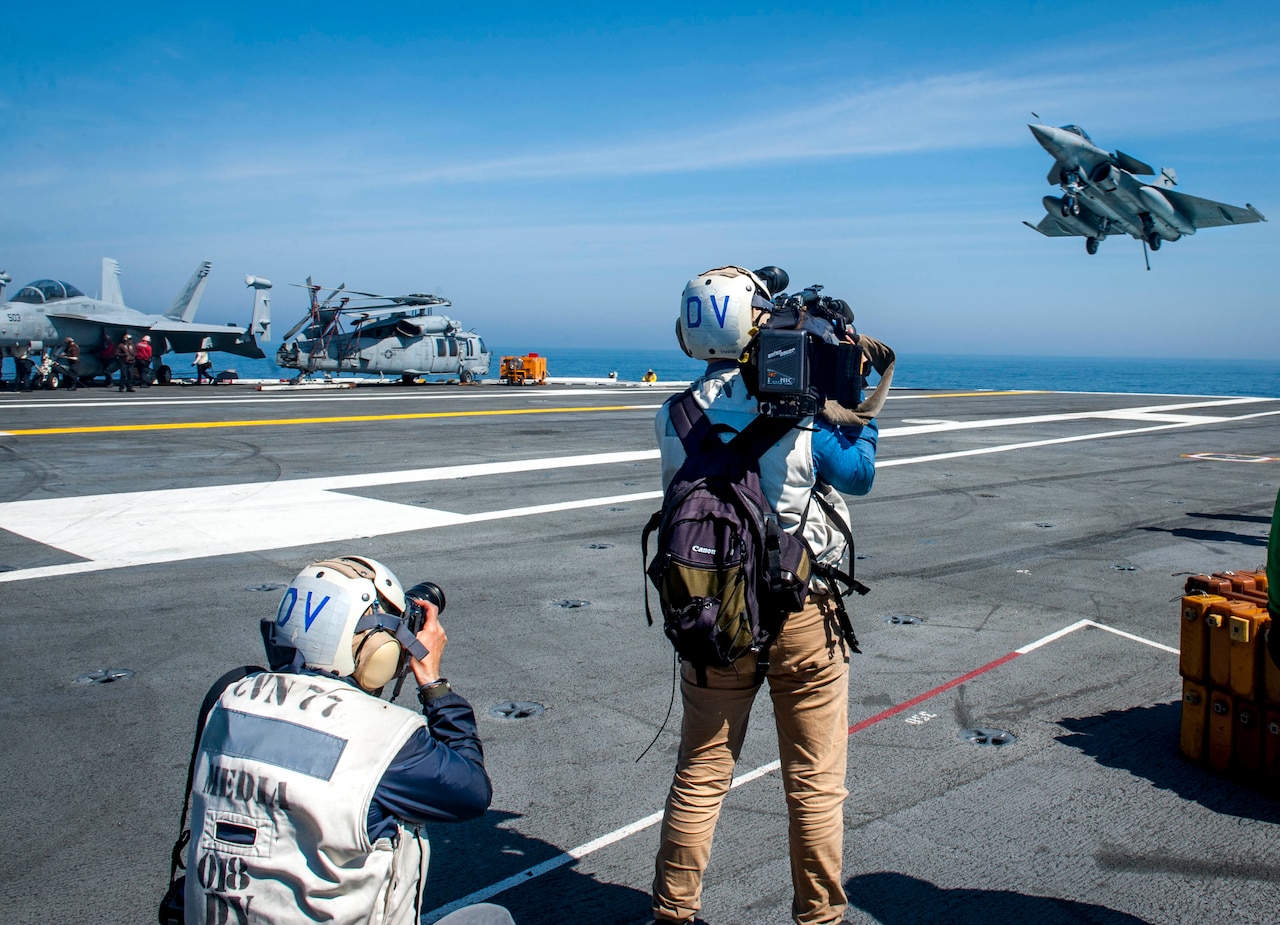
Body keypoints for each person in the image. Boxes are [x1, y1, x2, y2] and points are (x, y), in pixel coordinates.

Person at [650, 266, 892, 925]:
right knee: (814, 785)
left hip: (712, 608)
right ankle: (818, 917)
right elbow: (859, 474)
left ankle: (674, 913)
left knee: (700, 775)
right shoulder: (797, 412)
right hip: (800, 611)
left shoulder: (670, 415)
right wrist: (857, 391)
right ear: (756, 323)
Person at [175, 555, 512, 925]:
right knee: (491, 917)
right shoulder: (384, 737)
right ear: (376, 649)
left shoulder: (226, 698)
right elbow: (472, 791)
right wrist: (433, 683)